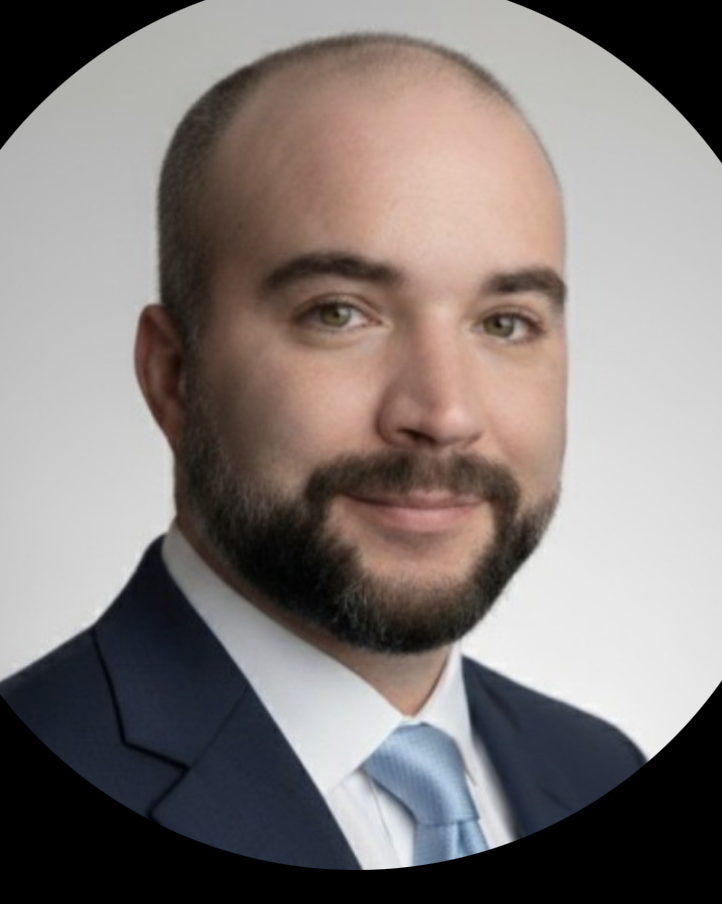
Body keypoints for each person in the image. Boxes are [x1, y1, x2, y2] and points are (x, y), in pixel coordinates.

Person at [0, 33, 644, 868]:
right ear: (174, 376)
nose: (444, 414)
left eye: (505, 323)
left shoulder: (598, 770)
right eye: (339, 313)